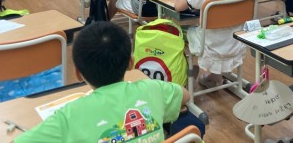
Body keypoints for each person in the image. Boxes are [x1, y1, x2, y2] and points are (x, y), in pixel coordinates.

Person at [14, 22, 190, 142]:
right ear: (131, 63)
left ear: (78, 74)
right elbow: (185, 95)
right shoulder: (153, 88)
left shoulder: (67, 117)